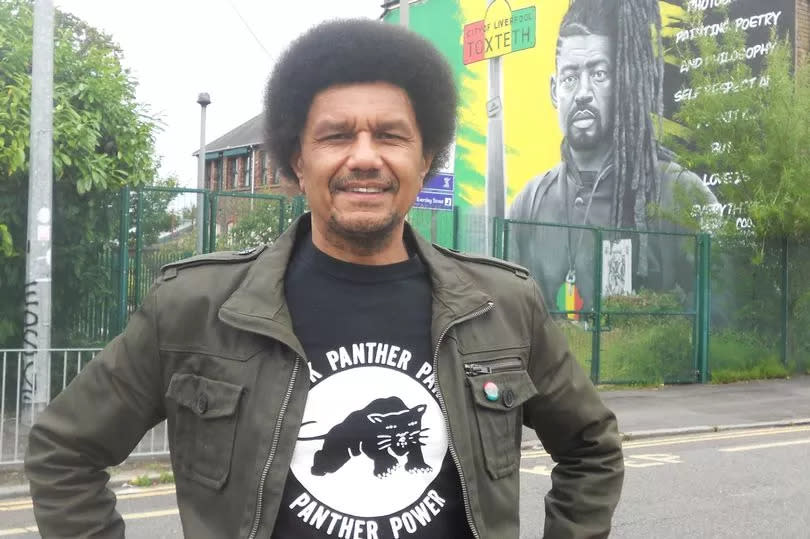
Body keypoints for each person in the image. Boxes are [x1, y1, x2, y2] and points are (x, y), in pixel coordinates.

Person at [25, 19, 624, 539]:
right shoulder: (195, 308)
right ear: (296, 160)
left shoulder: (504, 306)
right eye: (336, 135)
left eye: (390, 136)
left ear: (426, 158)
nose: (364, 157)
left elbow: (591, 447)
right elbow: (65, 452)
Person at [509, 0, 717, 314]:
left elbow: (722, 318)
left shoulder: (682, 195)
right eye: (569, 77)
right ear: (554, 91)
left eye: (599, 74)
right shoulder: (529, 201)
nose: (582, 92)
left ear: (625, 82)